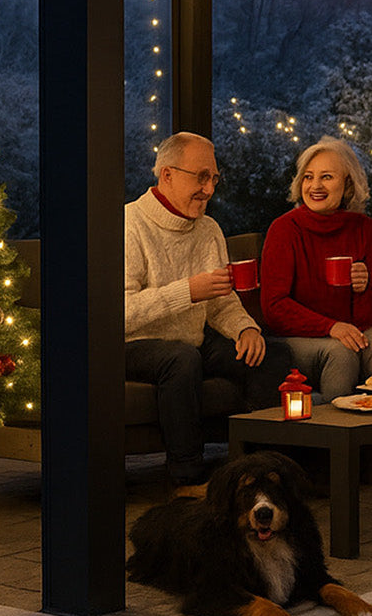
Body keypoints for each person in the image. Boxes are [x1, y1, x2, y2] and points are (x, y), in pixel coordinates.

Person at [125, 131, 292, 486]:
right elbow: (118, 312)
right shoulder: (129, 224)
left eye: (213, 178)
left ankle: (257, 473)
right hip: (132, 342)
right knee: (182, 359)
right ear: (167, 174)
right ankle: (187, 481)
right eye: (200, 177)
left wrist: (246, 329)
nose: (209, 189)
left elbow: (220, 303)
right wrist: (187, 290)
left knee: (270, 354)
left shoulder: (208, 229)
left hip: (192, 337)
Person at [260, 136, 372, 400]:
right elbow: (274, 308)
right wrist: (331, 326)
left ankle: (368, 436)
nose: (315, 186)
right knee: (341, 353)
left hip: (344, 330)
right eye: (308, 177)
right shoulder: (284, 229)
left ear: (347, 184)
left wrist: (364, 288)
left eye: (327, 177)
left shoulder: (364, 228)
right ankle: (334, 435)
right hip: (292, 337)